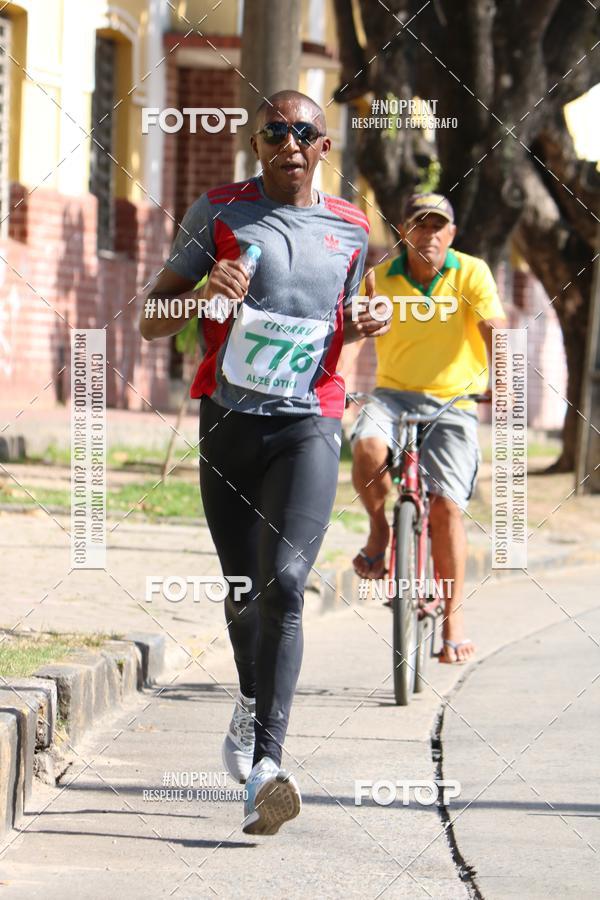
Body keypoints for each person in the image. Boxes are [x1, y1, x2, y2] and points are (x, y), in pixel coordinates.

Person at [140, 90, 382, 834]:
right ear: (257, 145)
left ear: (323, 147)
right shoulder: (219, 212)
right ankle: (249, 702)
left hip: (310, 421)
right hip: (230, 424)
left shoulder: (351, 228)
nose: (289, 143)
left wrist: (368, 320)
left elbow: (351, 320)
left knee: (285, 581)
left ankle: (268, 769)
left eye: (303, 132)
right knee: (244, 587)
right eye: (274, 131)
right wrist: (202, 295)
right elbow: (151, 317)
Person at [350, 192, 507, 664]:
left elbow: (495, 329)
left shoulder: (471, 272)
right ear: (404, 231)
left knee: (446, 507)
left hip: (455, 400)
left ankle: (454, 618)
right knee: (367, 447)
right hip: (392, 395)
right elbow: (354, 336)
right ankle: (380, 532)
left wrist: (504, 381)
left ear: (451, 234)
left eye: (438, 226)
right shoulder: (380, 277)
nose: (429, 234)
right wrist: (336, 387)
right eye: (420, 224)